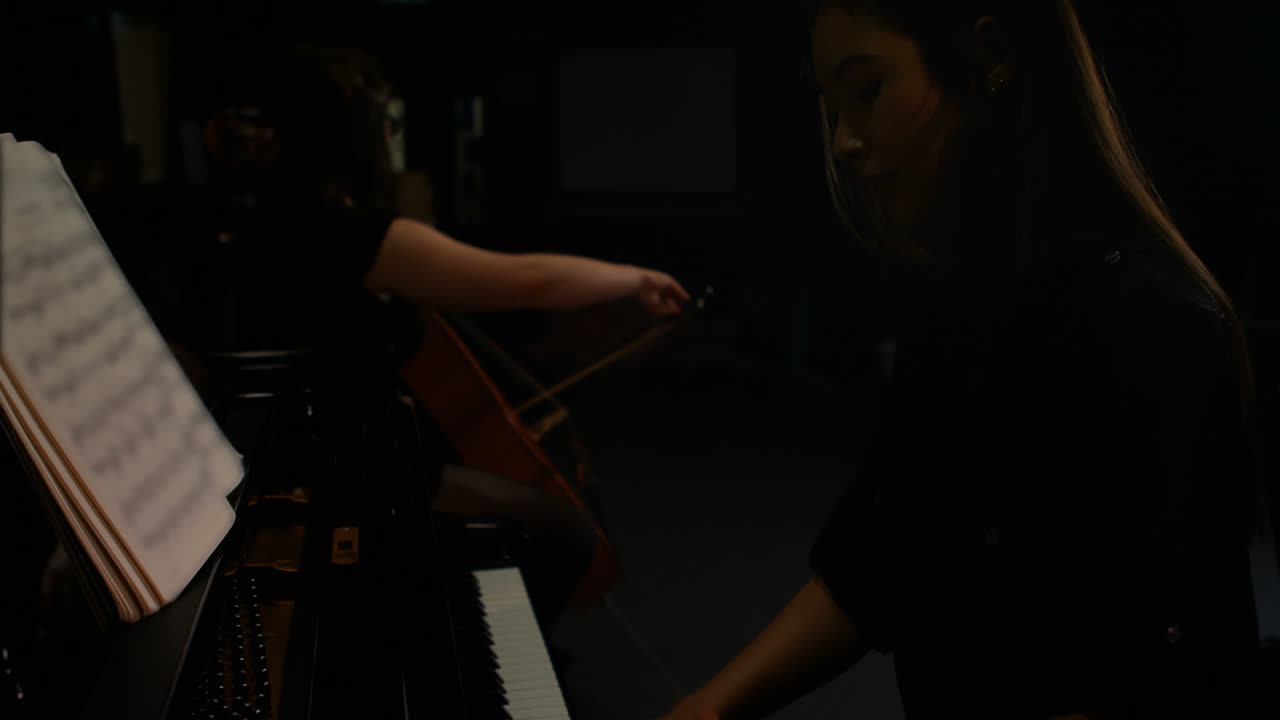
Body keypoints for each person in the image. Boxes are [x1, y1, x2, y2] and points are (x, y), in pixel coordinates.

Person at [660, 1, 1273, 718]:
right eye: (833, 108)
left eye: (868, 91)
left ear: (988, 64)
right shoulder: (964, 297)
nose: (845, 144)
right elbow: (876, 555)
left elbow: (1158, 681)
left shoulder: (1154, 329)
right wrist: (706, 706)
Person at [197, 43, 690, 628]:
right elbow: (529, 280)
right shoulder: (354, 234)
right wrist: (635, 279)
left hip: (306, 463)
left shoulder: (268, 217)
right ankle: (473, 647)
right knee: (568, 535)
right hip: (357, 479)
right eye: (384, 122)